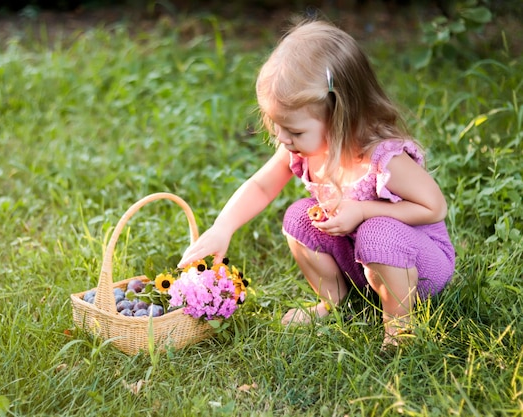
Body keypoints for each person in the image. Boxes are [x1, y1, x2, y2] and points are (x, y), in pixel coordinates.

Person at [178, 17, 455, 348]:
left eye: (294, 131)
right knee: (299, 216)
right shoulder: (307, 150)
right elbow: (262, 186)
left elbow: (434, 206)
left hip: (419, 266)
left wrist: (364, 210)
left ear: (340, 116)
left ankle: (399, 327)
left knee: (376, 230)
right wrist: (223, 227)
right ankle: (335, 303)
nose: (282, 138)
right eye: (277, 126)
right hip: (362, 261)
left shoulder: (383, 158)